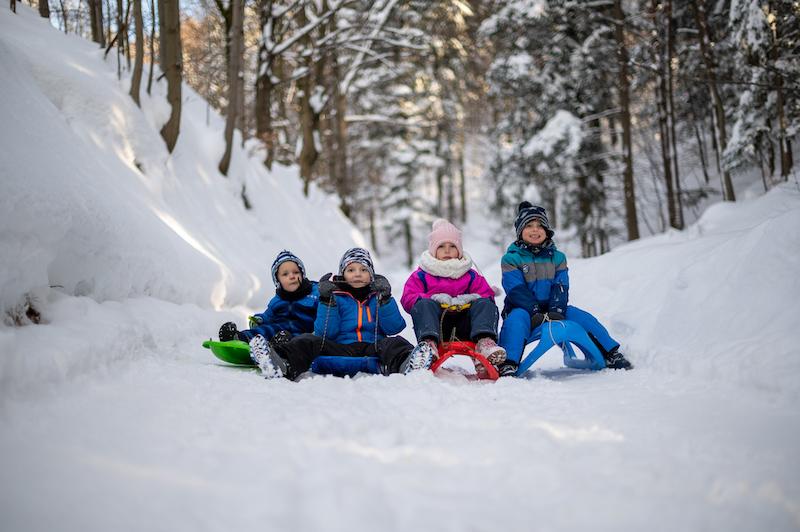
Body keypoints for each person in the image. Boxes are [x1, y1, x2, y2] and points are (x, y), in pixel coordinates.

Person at [250, 248, 433, 379]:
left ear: (371, 275)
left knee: (396, 343)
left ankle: (409, 364)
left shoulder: (377, 296)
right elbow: (325, 333)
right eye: (351, 270)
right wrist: (326, 301)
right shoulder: (335, 297)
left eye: (363, 270)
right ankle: (281, 363)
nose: (357, 274)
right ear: (342, 274)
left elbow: (394, 327)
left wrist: (385, 299)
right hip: (341, 347)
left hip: (373, 346)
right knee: (308, 340)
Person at [497, 202, 633, 376]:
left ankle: (610, 353)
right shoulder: (511, 259)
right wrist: (534, 311)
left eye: (540, 225)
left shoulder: (557, 257)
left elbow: (561, 286)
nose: (535, 230)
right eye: (529, 225)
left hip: (554, 309)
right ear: (520, 231)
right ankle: (508, 363)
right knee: (515, 322)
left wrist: (557, 310)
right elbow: (516, 289)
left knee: (582, 317)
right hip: (523, 309)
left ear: (547, 231)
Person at [400, 219, 506, 366]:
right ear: (433, 250)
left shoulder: (470, 275)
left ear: (459, 250)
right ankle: (428, 346)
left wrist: (469, 299)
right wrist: (433, 299)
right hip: (438, 327)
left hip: (467, 326)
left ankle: (484, 343)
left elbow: (486, 294)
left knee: (485, 303)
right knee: (423, 304)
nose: (447, 250)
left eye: (452, 246)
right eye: (441, 246)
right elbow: (408, 297)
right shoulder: (422, 275)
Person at [217, 250, 318, 348]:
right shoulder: (277, 300)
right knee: (265, 330)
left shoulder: (314, 293)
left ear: (302, 275)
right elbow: (268, 316)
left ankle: (277, 348)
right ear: (278, 281)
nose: (292, 276)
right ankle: (238, 338)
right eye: (285, 274)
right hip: (279, 330)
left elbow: (323, 313)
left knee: (293, 339)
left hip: (303, 332)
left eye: (296, 272)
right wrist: (260, 320)